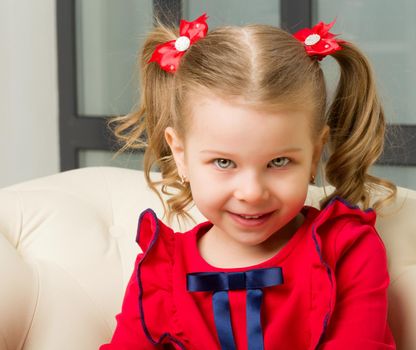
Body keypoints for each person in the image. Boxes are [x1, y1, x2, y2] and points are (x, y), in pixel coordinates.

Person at [101, 12, 397, 350]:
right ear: (180, 154)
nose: (252, 193)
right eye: (224, 162)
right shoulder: (158, 272)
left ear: (314, 155)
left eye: (279, 162)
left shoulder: (346, 250)